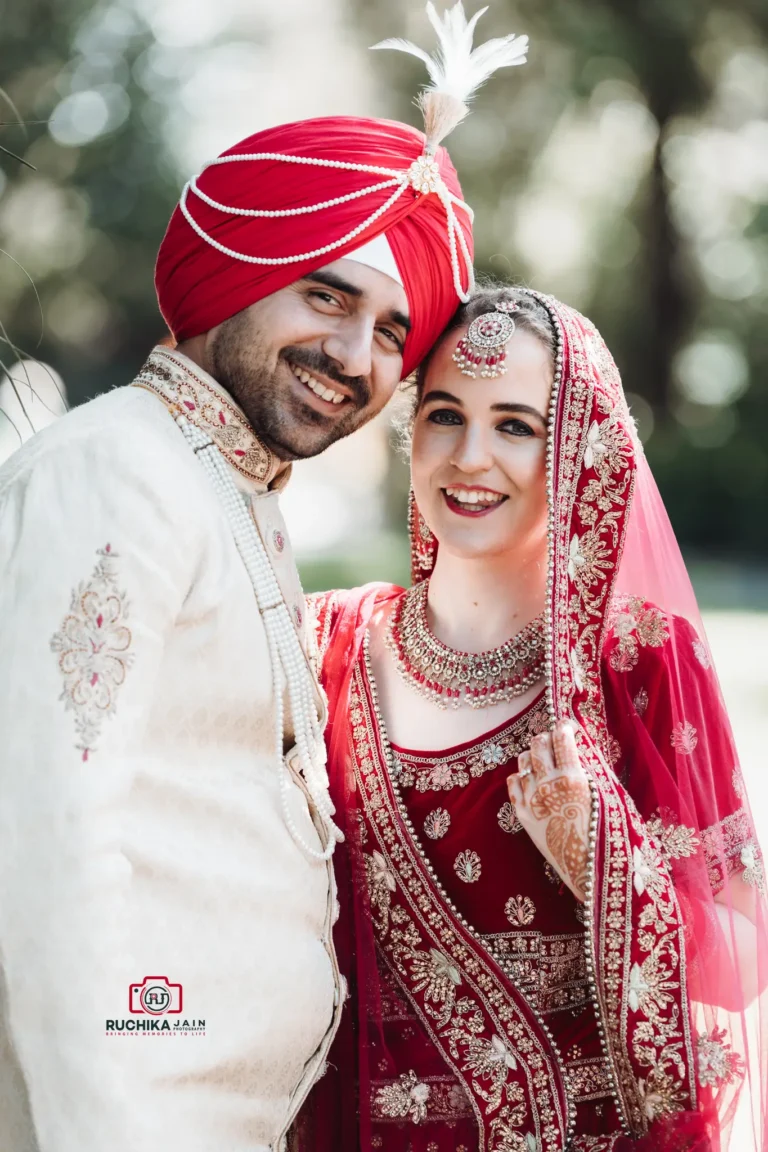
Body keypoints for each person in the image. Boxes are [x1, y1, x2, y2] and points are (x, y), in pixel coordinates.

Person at [0, 5, 532, 1146]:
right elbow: (48, 850)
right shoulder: (116, 474)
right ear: (240, 271)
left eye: (394, 331)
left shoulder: (230, 492)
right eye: (328, 296)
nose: (356, 357)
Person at [302, 286, 768, 1151]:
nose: (471, 457)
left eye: (517, 426)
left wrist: (607, 868)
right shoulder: (322, 646)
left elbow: (745, 966)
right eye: (445, 415)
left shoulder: (638, 663)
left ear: (581, 452)